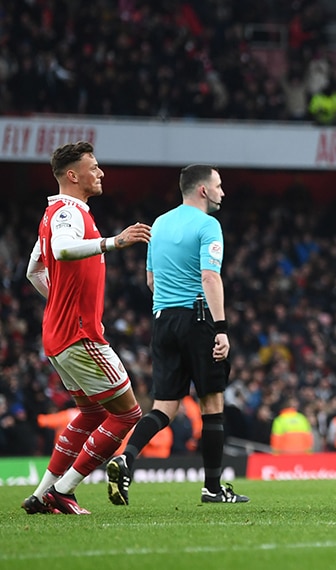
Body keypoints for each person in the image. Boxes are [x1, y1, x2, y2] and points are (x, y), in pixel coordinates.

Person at [108, 164, 248, 506]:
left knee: (164, 407)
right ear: (203, 190)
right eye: (218, 185)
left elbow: (151, 282)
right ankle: (213, 488)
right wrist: (221, 329)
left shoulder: (159, 224)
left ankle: (126, 458)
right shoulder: (208, 225)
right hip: (197, 320)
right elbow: (210, 278)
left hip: (162, 320)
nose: (222, 192)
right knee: (212, 403)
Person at [22, 141, 150, 515]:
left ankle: (41, 493)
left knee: (93, 413)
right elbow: (62, 250)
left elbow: (34, 270)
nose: (101, 173)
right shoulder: (68, 212)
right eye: (93, 167)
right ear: (73, 176)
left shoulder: (50, 214)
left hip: (58, 333)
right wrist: (115, 241)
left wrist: (60, 303)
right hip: (79, 334)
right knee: (128, 414)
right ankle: (63, 490)